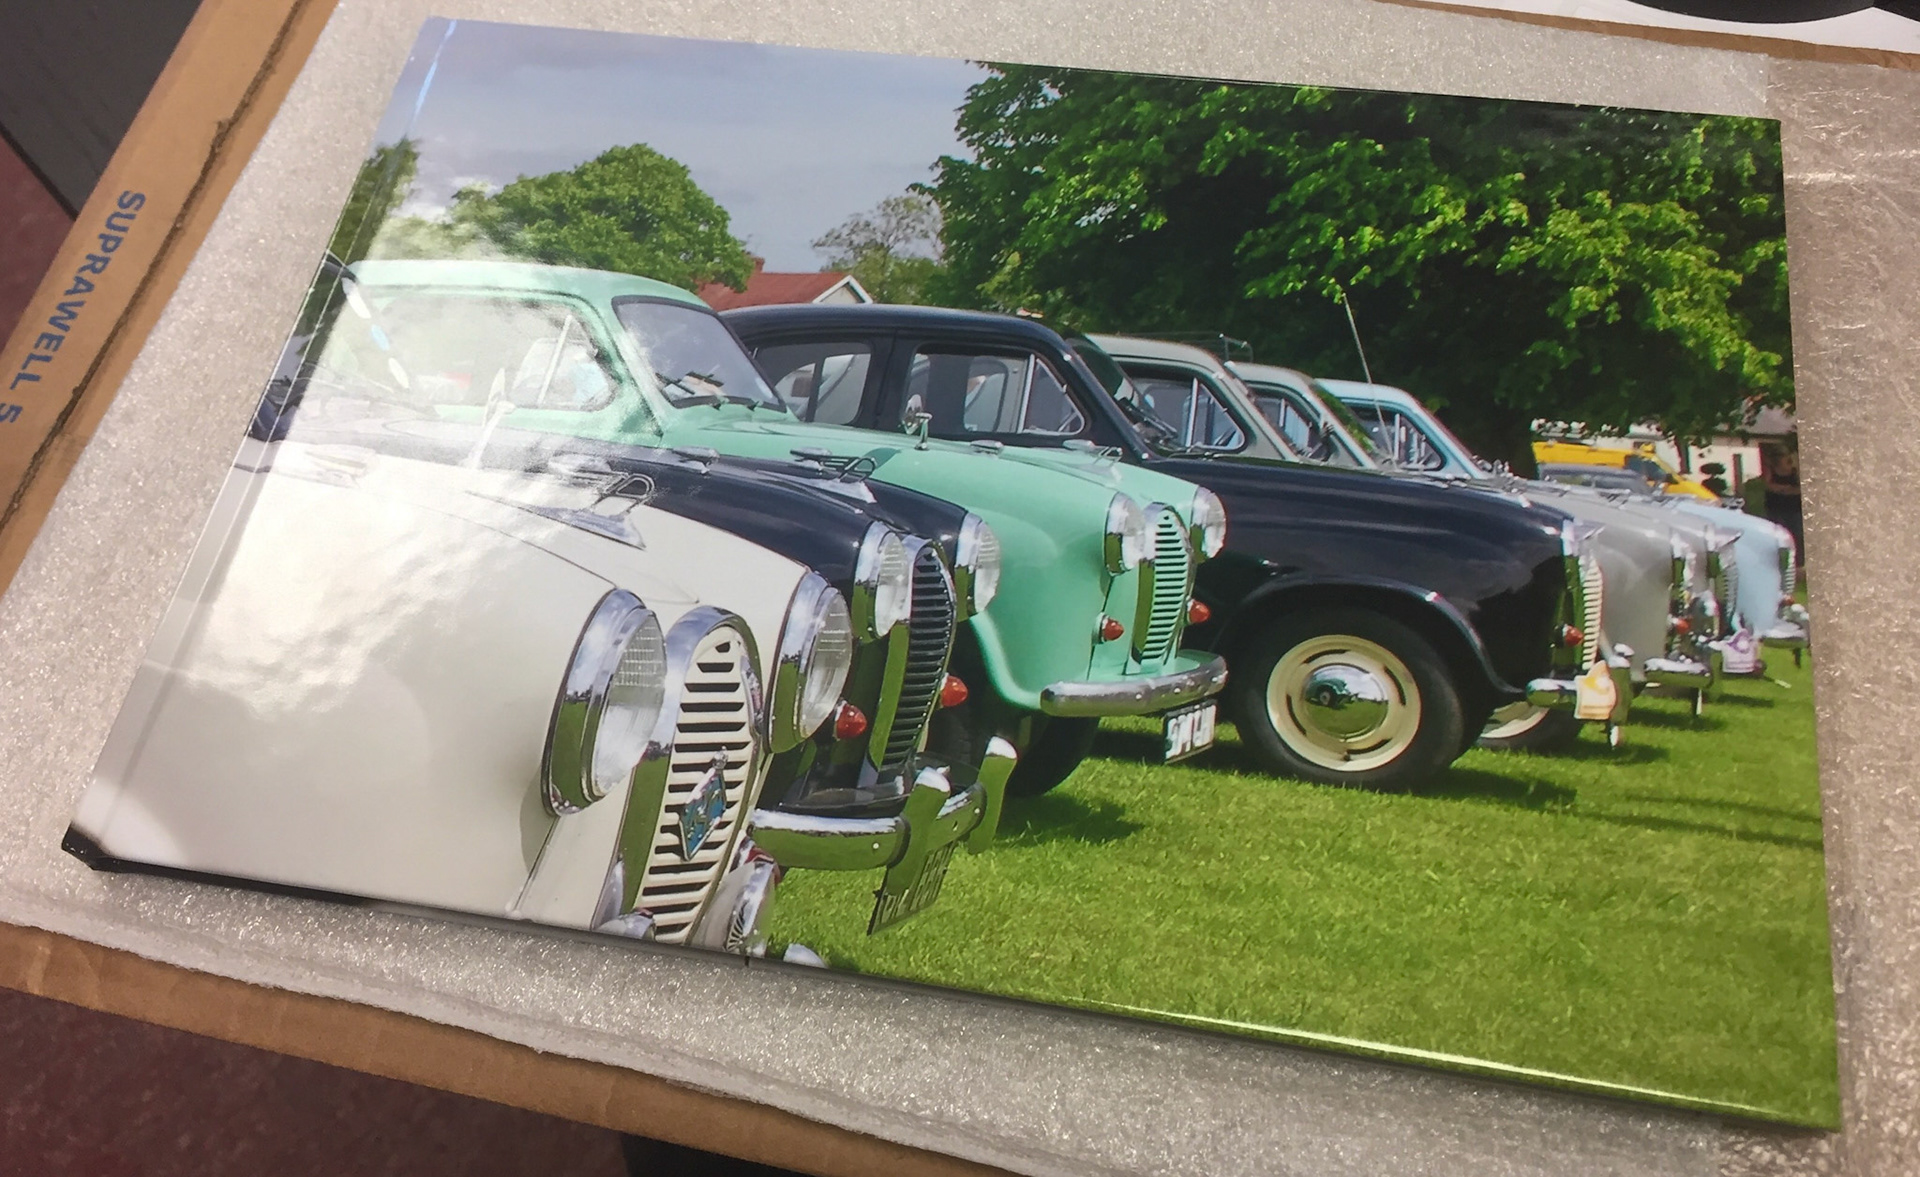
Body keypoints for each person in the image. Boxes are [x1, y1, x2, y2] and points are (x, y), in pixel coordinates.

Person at [1761, 443, 1804, 564]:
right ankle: (1777, 560)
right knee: (1777, 535)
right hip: (1775, 507)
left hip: (1794, 508)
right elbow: (1768, 486)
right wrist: (1787, 489)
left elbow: (1799, 488)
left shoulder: (1794, 470)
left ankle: (1797, 562)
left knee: (1796, 535)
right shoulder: (1771, 470)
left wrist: (1783, 490)